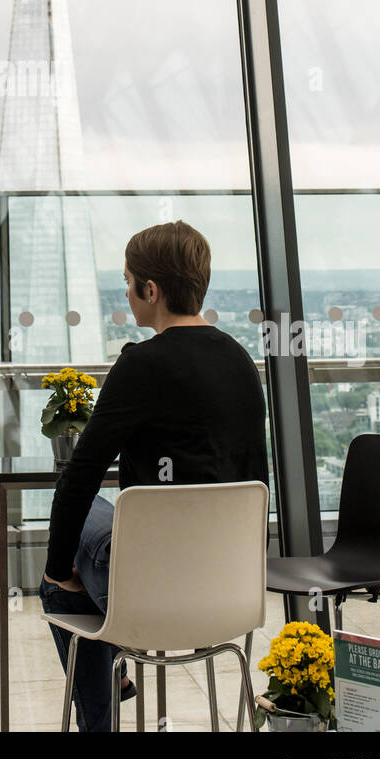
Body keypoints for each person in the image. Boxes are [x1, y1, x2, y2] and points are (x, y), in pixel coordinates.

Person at [38, 220, 269, 732]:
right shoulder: (241, 361)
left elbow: (80, 476)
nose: (126, 293)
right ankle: (114, 676)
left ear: (151, 289)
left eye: (128, 282)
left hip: (147, 592)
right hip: (230, 592)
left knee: (60, 570)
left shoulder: (141, 365)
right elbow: (253, 477)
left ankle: (102, 716)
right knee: (93, 522)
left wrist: (59, 568)